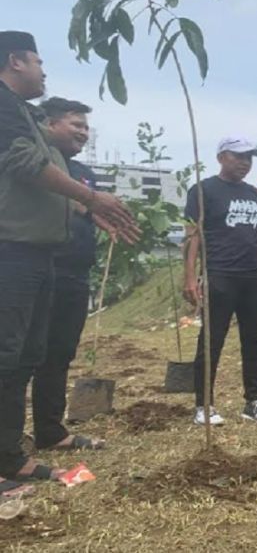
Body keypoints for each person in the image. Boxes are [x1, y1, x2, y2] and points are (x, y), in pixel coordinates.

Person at [0, 31, 137, 484]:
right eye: (38, 61)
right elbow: (23, 166)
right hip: (12, 250)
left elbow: (36, 179)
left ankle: (15, 451)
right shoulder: (3, 105)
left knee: (27, 356)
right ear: (16, 61)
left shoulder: (22, 112)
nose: (44, 70)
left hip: (36, 253)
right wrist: (92, 200)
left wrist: (84, 208)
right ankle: (5, 461)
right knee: (8, 356)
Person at [183, 136, 257, 425]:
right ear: (221, 157)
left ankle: (253, 401)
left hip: (255, 277)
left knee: (255, 340)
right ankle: (204, 405)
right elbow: (193, 233)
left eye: (249, 158)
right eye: (239, 156)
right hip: (221, 275)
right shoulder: (203, 191)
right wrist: (191, 276)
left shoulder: (256, 195)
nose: (245, 163)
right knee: (211, 340)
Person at [34, 97, 104, 451]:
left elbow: (91, 214)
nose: (83, 133)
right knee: (21, 353)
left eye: (85, 127)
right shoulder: (36, 162)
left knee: (60, 352)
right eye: (75, 124)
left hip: (75, 274)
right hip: (36, 268)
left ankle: (50, 430)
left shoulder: (85, 173)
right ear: (49, 124)